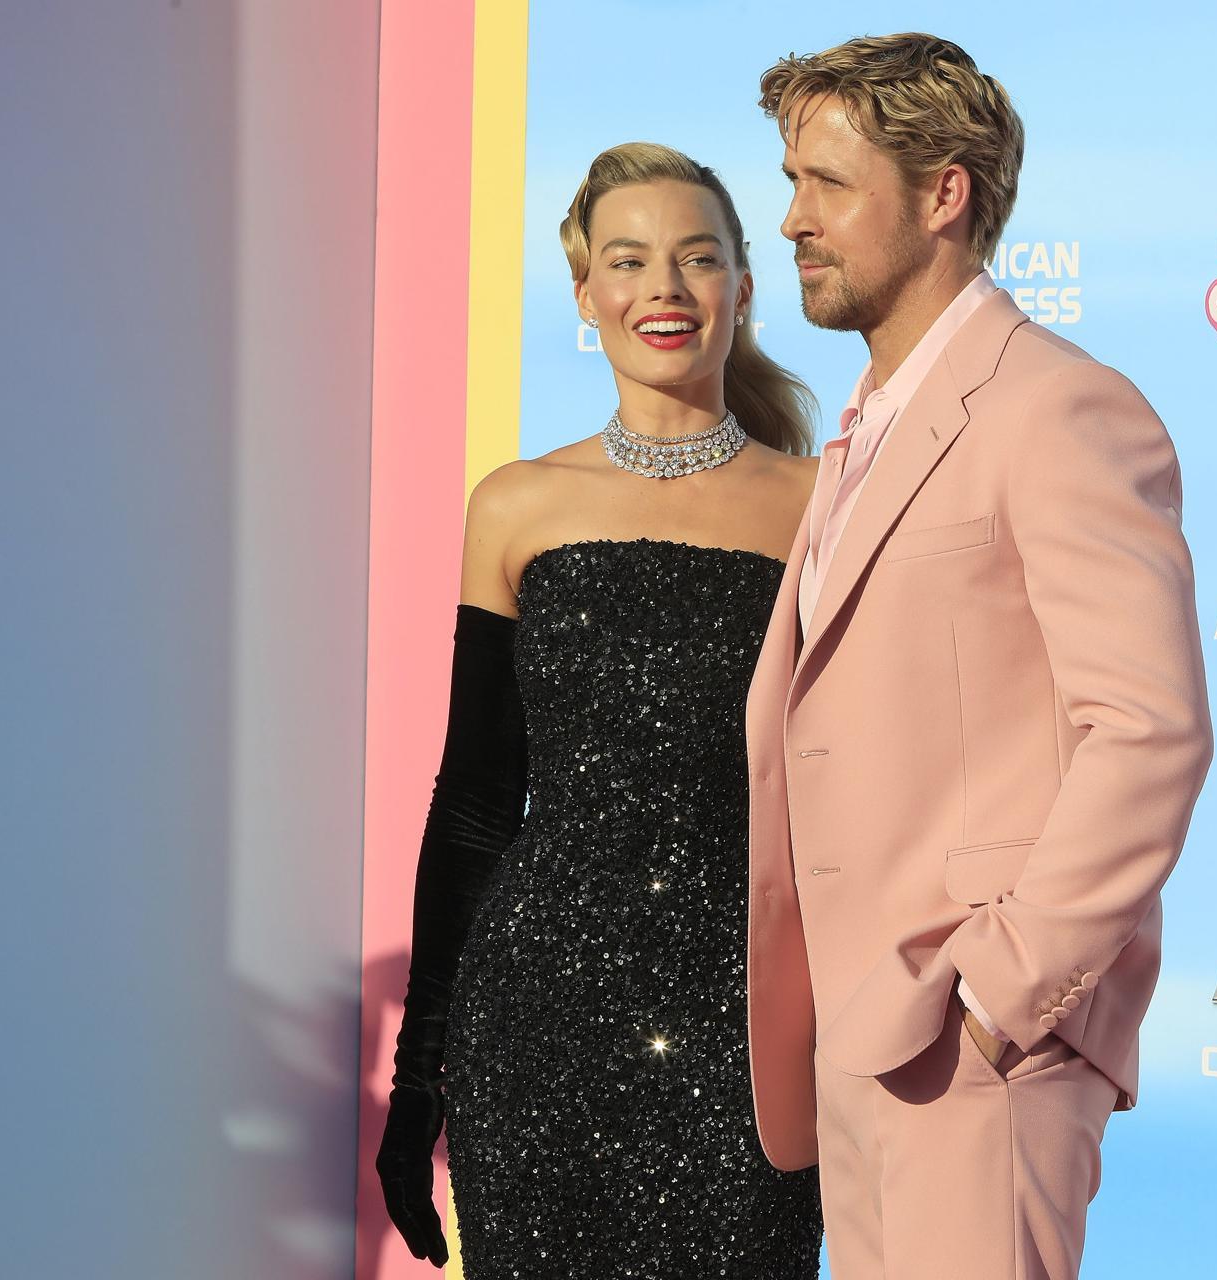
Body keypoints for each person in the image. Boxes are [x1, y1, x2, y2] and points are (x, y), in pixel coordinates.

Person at [742, 34, 1213, 1280]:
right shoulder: (861, 429)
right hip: (862, 1040)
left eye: (827, 184)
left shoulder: (1056, 406)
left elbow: (1150, 729)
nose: (791, 219)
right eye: (790, 181)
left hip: (975, 1047)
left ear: (944, 193)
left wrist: (1002, 997)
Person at [373, 142, 824, 1277]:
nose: (663, 290)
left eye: (697, 258)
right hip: (536, 1032)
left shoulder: (827, 507)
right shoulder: (516, 505)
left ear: (743, 287)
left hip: (750, 1040)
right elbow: (475, 802)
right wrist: (418, 1076)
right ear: (585, 291)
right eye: (628, 261)